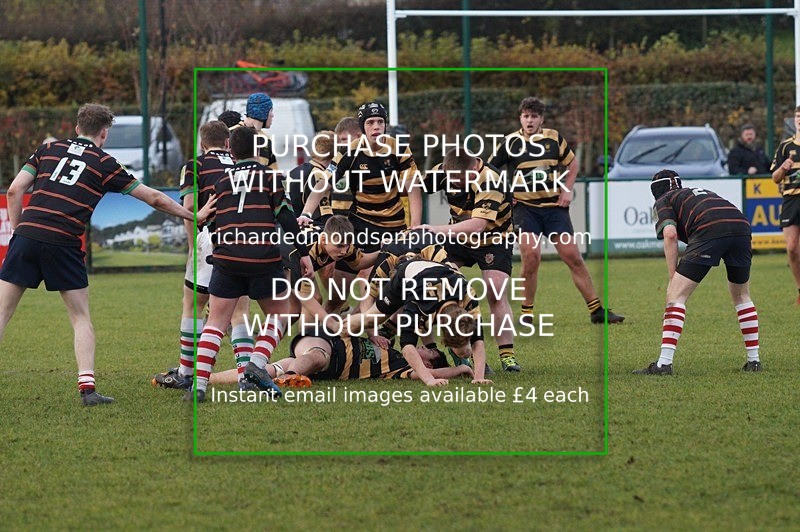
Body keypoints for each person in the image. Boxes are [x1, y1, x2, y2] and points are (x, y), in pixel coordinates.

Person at [0, 103, 215, 406]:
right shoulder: (104, 162)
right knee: (80, 317)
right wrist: (193, 216)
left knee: (2, 312)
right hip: (64, 240)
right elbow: (153, 197)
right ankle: (88, 391)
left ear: (77, 127)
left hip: (27, 235)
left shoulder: (47, 149)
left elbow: (14, 191)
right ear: (104, 133)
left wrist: (19, 232)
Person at [185, 126, 313, 402]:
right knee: (280, 313)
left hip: (227, 257)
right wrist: (303, 253)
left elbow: (213, 220)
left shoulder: (221, 180)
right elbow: (287, 218)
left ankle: (199, 385)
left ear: (231, 148)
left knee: (216, 322)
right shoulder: (271, 177)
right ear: (258, 150)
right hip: (262, 257)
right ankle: (255, 365)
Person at [489, 97, 624, 325]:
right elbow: (490, 170)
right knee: (531, 258)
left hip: (554, 209)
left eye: (534, 116)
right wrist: (505, 195)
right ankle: (527, 314)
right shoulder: (510, 142)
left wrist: (567, 190)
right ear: (520, 118)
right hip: (525, 210)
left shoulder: (553, 138)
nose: (529, 120)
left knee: (573, 257)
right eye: (525, 116)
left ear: (541, 118)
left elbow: (572, 165)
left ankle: (597, 311)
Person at [634, 169, 761, 375]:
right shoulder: (699, 192)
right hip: (741, 227)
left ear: (655, 190)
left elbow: (670, 234)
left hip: (710, 228)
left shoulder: (664, 200)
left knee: (675, 295)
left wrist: (672, 276)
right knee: (742, 295)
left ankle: (663, 364)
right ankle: (754, 361)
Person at [151, 120, 237, 391]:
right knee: (240, 311)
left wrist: (192, 247)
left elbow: (189, 207)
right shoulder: (240, 164)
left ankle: (187, 372)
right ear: (227, 143)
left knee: (193, 303)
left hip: (211, 240)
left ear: (202, 144)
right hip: (244, 242)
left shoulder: (195, 165)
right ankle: (247, 371)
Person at [419, 149, 520, 372]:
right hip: (458, 237)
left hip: (494, 238)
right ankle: (460, 351)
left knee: (495, 290)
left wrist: (434, 229)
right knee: (441, 286)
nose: (458, 184)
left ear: (474, 166)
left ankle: (507, 356)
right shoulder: (445, 171)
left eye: (463, 179)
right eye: (455, 180)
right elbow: (414, 186)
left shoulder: (490, 180)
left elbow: (477, 225)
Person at [353, 256, 493, 387]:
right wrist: (429, 379)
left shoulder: (468, 295)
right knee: (370, 319)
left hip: (436, 273)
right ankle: (338, 328)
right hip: (406, 275)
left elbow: (478, 339)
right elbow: (407, 346)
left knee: (465, 350)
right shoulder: (419, 303)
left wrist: (479, 377)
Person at [208, 331, 469, 387]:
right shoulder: (391, 345)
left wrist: (460, 370)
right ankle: (290, 380)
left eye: (429, 352)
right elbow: (362, 317)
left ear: (429, 363)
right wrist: (371, 333)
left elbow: (430, 374)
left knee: (263, 370)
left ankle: (201, 378)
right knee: (317, 357)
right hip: (324, 344)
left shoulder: (399, 367)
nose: (423, 348)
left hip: (327, 369)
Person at [770, 106, 800, 304]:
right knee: (791, 248)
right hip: (791, 200)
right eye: (798, 116)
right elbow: (775, 178)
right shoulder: (785, 147)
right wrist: (783, 167)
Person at [287, 130, 335, 220]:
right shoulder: (321, 175)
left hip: (292, 226)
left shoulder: (294, 171)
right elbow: (323, 214)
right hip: (311, 228)